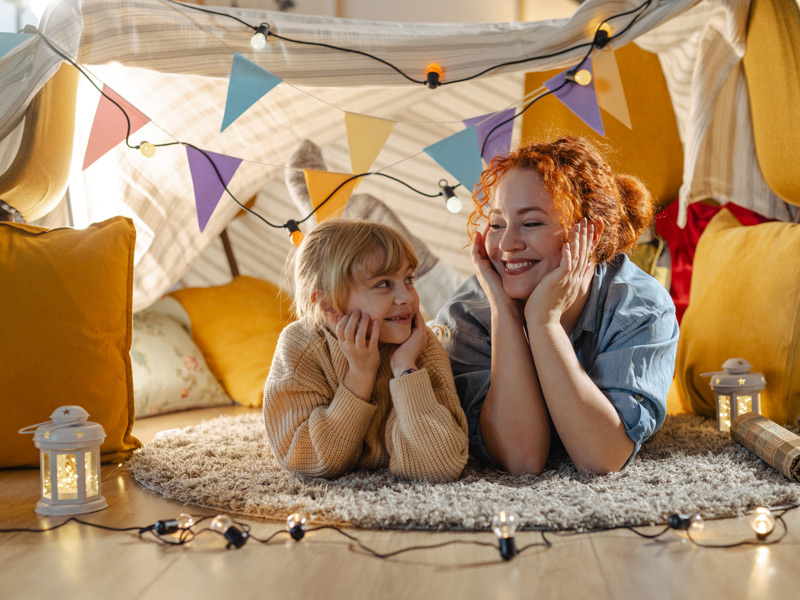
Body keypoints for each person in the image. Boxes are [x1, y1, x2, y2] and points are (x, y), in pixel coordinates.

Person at [434, 136, 679, 476]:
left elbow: (602, 458)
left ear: (589, 234)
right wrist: (504, 312)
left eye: (531, 223)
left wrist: (543, 321)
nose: (506, 244)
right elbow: (521, 460)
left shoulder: (641, 309)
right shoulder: (469, 312)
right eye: (497, 224)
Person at [263, 219, 469, 483]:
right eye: (383, 283)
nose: (406, 297)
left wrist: (405, 367)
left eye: (408, 279)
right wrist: (360, 374)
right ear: (328, 307)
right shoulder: (301, 348)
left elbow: (440, 464)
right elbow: (310, 461)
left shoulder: (419, 346)